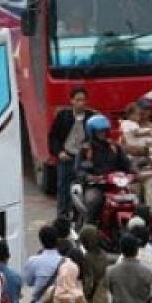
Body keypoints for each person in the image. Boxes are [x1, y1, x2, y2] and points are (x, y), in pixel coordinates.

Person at [78, 114, 133, 225]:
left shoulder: (114, 147)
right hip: (95, 186)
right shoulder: (86, 149)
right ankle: (89, 228)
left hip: (115, 186)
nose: (102, 134)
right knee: (93, 201)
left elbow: (126, 164)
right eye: (99, 131)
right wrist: (89, 177)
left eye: (104, 131)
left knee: (134, 200)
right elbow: (80, 169)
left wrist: (133, 173)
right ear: (92, 132)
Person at [47, 87, 91, 219]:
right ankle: (62, 216)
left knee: (83, 188)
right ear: (72, 101)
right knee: (63, 188)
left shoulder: (91, 117)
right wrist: (59, 152)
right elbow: (53, 136)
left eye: (83, 100)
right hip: (67, 157)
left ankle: (80, 215)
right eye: (78, 100)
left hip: (83, 159)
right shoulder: (63, 116)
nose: (81, 103)